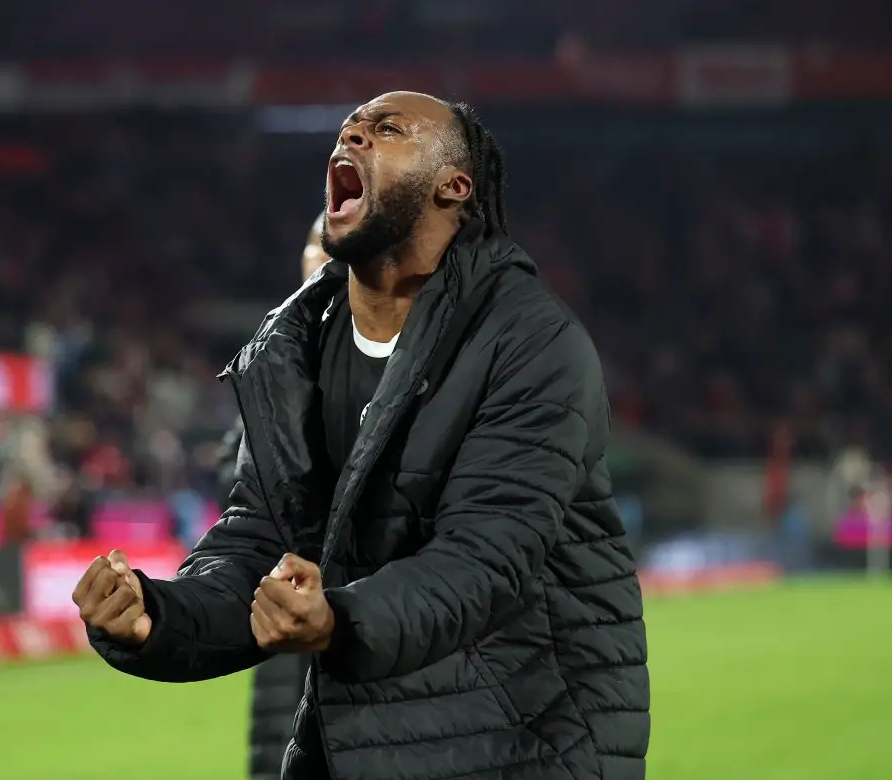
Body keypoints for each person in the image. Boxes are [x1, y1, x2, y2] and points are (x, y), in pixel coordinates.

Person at [74, 92, 650, 780]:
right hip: (357, 746)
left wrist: (336, 620)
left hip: (522, 745)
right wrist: (157, 619)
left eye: (387, 129)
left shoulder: (528, 339)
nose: (352, 138)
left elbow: (485, 557)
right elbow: (260, 540)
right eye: (348, 130)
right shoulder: (288, 352)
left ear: (453, 185)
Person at [214, 213, 330, 780]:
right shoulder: (273, 359)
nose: (325, 257)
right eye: (316, 245)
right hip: (287, 637)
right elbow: (237, 492)